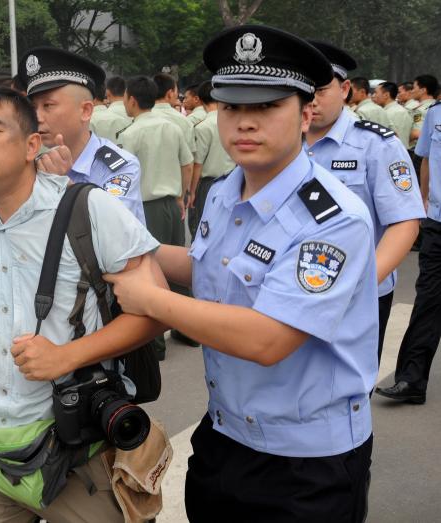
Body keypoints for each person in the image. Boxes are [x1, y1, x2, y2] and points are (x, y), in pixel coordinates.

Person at [105, 26, 378, 522]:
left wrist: (149, 299)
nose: (244, 124)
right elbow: (205, 269)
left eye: (266, 107)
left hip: (305, 460)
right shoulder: (231, 188)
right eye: (232, 108)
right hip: (226, 435)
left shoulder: (335, 219)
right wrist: (115, 240)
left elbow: (267, 340)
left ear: (306, 113)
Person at [0, 84, 166, 522]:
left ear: (31, 145)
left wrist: (66, 356)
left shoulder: (87, 209)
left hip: (80, 453)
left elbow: (155, 311)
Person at [305, 41, 424, 366]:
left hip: (359, 297)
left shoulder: (375, 145)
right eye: (302, 88)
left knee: (347, 394)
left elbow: (405, 222)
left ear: (344, 89)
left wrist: (360, 285)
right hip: (292, 293)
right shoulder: (283, 143)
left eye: (320, 89)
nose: (311, 99)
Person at [21, 47, 146, 223]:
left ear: (86, 111)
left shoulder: (118, 167)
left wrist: (64, 186)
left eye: (48, 105)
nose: (37, 117)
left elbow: (114, 231)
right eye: (33, 107)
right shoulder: (33, 163)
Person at [119, 75, 194, 358]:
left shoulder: (130, 134)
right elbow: (187, 164)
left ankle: (156, 345)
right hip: (172, 204)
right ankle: (187, 329)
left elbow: (124, 177)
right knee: (177, 272)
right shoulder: (173, 126)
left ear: (132, 100)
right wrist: (182, 196)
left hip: (147, 207)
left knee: (150, 269)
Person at [376, 98, 441, 405]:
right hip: (439, 222)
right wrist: (425, 202)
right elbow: (426, 158)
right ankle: (411, 379)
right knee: (429, 300)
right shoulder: (435, 113)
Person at [188, 80, 235, 239]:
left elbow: (197, 163)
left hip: (208, 185)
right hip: (232, 180)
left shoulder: (203, 127)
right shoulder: (233, 122)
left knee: (202, 227)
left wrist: (192, 191)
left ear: (200, 101)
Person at [152, 73, 197, 159]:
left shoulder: (137, 119)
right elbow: (188, 160)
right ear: (170, 93)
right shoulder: (184, 122)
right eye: (176, 91)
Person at [374, 81, 413, 148]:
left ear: (386, 95)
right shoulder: (403, 110)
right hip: (404, 153)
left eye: (376, 93)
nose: (374, 95)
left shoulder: (387, 114)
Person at [408, 74, 438, 150]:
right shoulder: (436, 106)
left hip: (419, 151)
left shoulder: (420, 110)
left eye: (414, 88)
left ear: (423, 90)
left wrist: (404, 139)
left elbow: (417, 133)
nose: (411, 91)